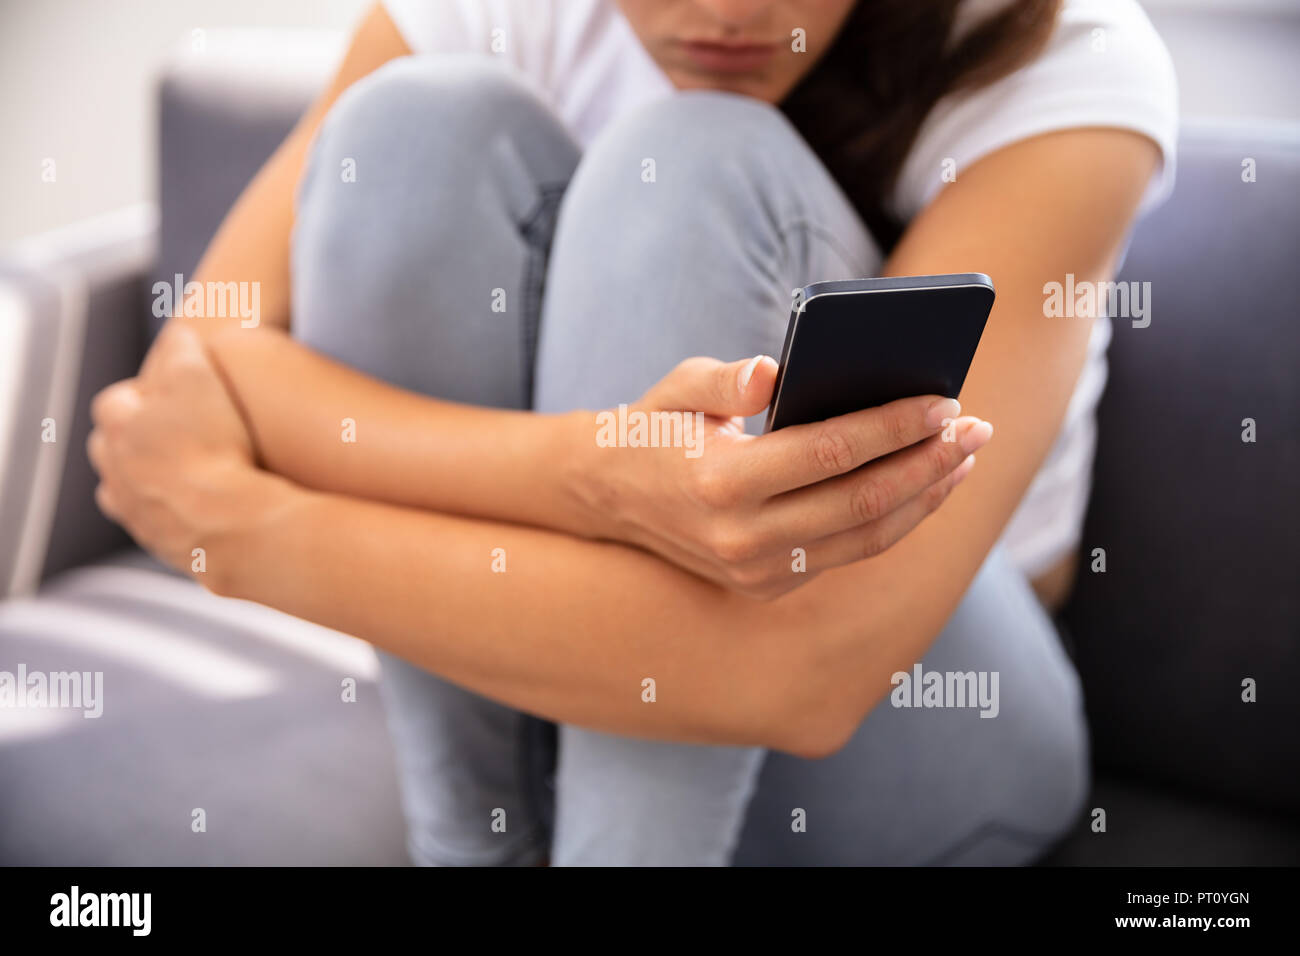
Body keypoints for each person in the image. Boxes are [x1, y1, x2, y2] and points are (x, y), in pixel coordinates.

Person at [87, 0, 1177, 865]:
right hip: (564, 689)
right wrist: (585, 474)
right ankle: (475, 847)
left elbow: (803, 675)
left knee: (697, 164)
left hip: (914, 719)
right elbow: (192, 382)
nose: (725, 10)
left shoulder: (1060, 61)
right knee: (408, 132)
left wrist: (252, 534)